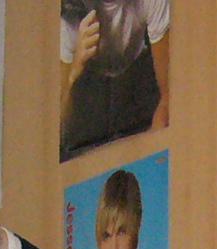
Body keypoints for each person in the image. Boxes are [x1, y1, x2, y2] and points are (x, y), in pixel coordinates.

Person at [60, 0, 170, 162]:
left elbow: (168, 98)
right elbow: (58, 131)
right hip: (90, 92)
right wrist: (74, 71)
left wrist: (152, 153)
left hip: (138, 77)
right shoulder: (69, 16)